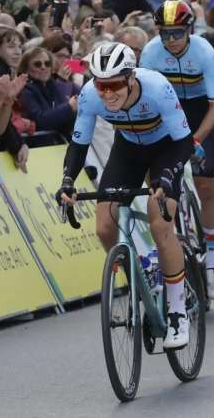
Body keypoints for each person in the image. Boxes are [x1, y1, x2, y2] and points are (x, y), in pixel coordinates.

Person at [56, 43, 193, 348]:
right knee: (104, 227)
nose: (108, 93)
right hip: (128, 150)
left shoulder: (157, 87)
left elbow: (184, 143)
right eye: (102, 85)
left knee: (159, 224)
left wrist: (168, 177)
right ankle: (142, 272)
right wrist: (67, 181)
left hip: (166, 150)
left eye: (115, 84)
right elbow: (79, 145)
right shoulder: (91, 95)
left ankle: (177, 312)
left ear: (131, 78)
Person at [139, 0, 214, 300]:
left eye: (177, 33)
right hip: (166, 110)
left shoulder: (203, 51)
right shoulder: (150, 53)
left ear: (189, 29)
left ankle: (212, 259)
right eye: (165, 34)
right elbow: (144, 102)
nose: (171, 40)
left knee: (204, 182)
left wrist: (196, 139)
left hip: (200, 109)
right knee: (160, 184)